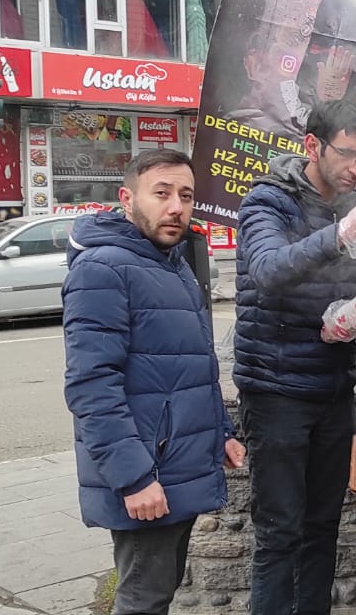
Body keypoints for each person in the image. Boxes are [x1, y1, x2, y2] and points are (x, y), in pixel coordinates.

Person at [62, 148, 246, 615]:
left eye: (185, 195)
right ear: (128, 198)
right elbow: (90, 386)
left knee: (156, 593)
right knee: (143, 599)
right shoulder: (103, 268)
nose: (175, 207)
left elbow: (187, 368)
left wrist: (220, 433)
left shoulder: (171, 263)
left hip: (172, 464)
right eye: (161, 193)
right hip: (148, 474)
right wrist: (133, 477)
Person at [233, 100, 356, 615]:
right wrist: (340, 235)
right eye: (348, 155)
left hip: (333, 386)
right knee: (280, 532)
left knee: (324, 526)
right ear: (311, 146)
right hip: (276, 391)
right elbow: (268, 270)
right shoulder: (268, 201)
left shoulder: (354, 205)